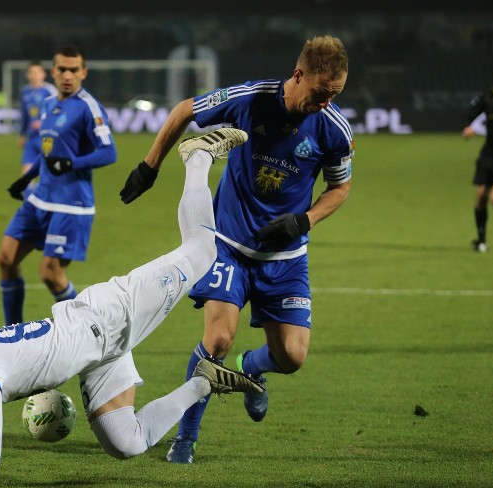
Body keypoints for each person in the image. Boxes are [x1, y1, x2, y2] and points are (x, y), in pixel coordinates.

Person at [0, 130, 262, 488]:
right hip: (98, 354)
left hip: (114, 312)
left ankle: (197, 156)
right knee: (126, 443)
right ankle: (203, 383)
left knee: (201, 250)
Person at [119, 35, 354, 464]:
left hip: (285, 259)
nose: (326, 102)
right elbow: (185, 110)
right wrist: (149, 166)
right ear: (298, 75)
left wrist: (305, 220)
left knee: (293, 357)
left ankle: (251, 368)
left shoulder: (334, 128)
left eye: (334, 95)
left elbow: (340, 187)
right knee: (218, 338)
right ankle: (185, 439)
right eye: (321, 93)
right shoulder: (252, 98)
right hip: (228, 244)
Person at [0, 46, 117, 326]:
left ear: (83, 73)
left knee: (50, 274)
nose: (67, 75)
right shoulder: (49, 103)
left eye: (73, 70)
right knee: (6, 259)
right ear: (53, 72)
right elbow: (48, 152)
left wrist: (72, 163)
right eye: (62, 69)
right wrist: (27, 179)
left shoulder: (89, 107)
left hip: (71, 203)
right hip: (40, 198)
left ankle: (86, 329)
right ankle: (11, 333)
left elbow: (109, 152)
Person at [462, 79, 493, 253]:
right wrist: (467, 126)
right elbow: (472, 112)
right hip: (489, 153)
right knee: (481, 196)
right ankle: (481, 241)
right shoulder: (488, 97)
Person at [18, 61, 58, 175]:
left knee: (50, 175)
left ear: (43, 74)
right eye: (31, 73)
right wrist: (22, 134)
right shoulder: (25, 91)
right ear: (27, 75)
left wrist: (44, 123)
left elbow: (60, 113)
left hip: (48, 137)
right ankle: (30, 193)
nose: (34, 75)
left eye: (37, 72)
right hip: (31, 137)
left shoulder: (51, 91)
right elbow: (25, 115)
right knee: (26, 178)